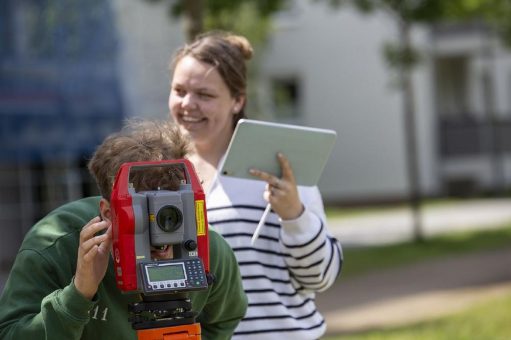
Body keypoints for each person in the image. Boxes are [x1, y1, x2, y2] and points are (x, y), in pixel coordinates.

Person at [0, 120, 247, 339]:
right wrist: (78, 295)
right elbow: (12, 333)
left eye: (172, 216)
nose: (163, 242)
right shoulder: (54, 246)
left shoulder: (209, 251)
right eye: (145, 222)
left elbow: (224, 318)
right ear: (108, 213)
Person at [168, 31, 343, 339]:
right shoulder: (160, 174)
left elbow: (321, 277)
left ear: (238, 101)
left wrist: (295, 216)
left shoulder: (279, 167)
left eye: (205, 95)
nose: (187, 104)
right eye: (179, 90)